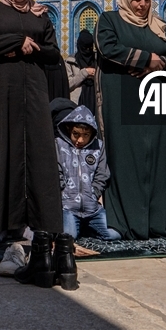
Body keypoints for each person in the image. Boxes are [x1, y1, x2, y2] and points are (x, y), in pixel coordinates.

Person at [0, 0, 63, 243]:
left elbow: (52, 53)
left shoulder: (40, 16)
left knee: (34, 152)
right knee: (1, 152)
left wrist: (27, 48)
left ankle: (33, 221)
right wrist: (15, 42)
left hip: (33, 91)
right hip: (1, 92)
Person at [95, 0, 166, 239]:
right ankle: (126, 223)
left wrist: (153, 66)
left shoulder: (159, 26)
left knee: (159, 158)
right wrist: (147, 60)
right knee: (126, 158)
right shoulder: (110, 20)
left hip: (157, 96)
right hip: (123, 96)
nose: (143, 4)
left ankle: (159, 224)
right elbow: (107, 48)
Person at [55, 103, 119, 240]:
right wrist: (62, 191)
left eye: (86, 135)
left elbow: (102, 174)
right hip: (68, 208)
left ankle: (86, 228)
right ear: (68, 128)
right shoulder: (59, 145)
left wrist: (94, 193)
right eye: (76, 134)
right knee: (68, 237)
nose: (80, 140)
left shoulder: (98, 147)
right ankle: (78, 227)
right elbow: (56, 171)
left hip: (92, 209)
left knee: (115, 234)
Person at [65, 30, 98, 113]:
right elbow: (67, 85)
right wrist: (85, 73)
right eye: (85, 48)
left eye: (90, 47)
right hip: (78, 101)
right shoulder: (70, 61)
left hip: (96, 100)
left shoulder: (98, 60)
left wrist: (95, 75)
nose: (88, 50)